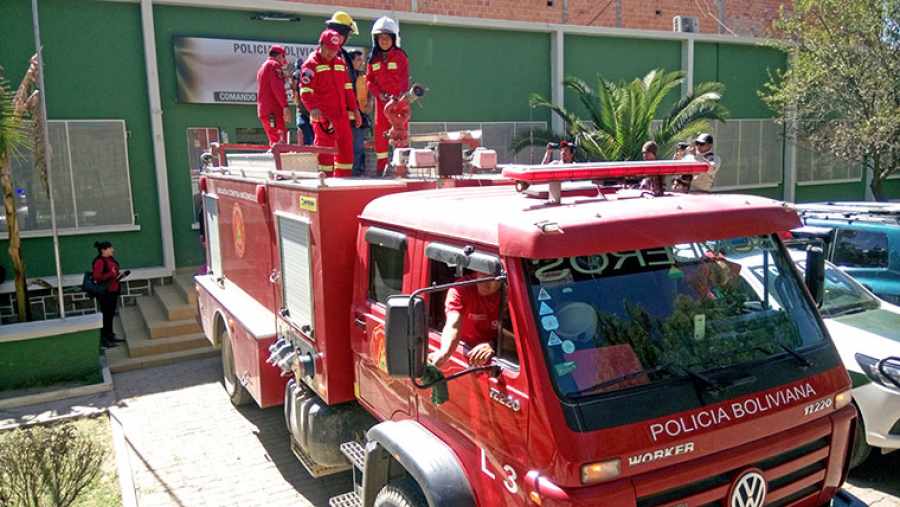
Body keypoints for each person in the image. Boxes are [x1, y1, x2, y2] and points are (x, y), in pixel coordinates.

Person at [299, 29, 362, 176]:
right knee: (325, 155)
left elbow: (348, 89)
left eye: (334, 50)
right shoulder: (310, 65)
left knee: (346, 152)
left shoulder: (340, 63)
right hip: (323, 118)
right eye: (328, 49)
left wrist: (355, 110)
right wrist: (313, 108)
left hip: (341, 116)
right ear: (321, 44)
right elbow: (305, 91)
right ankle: (324, 183)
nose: (331, 53)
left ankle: (343, 182)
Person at [428, 275, 503, 368]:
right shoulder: (462, 288)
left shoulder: (510, 294)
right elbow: (453, 324)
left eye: (493, 278)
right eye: (483, 275)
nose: (486, 283)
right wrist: (444, 353)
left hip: (498, 356)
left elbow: (519, 338)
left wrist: (493, 345)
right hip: (463, 352)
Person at [367, 17, 409, 176]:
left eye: (387, 38)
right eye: (380, 38)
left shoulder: (400, 56)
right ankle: (381, 169)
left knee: (400, 135)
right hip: (381, 104)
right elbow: (369, 81)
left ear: (393, 39)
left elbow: (405, 79)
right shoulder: (373, 59)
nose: (383, 41)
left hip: (398, 104)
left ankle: (402, 169)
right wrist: (379, 94)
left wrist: (399, 98)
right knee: (380, 135)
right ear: (376, 40)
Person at [92, 241, 126, 348]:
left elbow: (113, 274)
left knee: (110, 315)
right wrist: (111, 274)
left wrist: (119, 275)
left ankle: (110, 335)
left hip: (113, 291)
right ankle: (104, 340)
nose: (113, 250)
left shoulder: (110, 260)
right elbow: (97, 277)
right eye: (110, 248)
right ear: (103, 250)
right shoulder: (99, 261)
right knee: (106, 316)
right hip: (105, 293)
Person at [256, 45, 291, 146]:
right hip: (273, 111)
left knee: (274, 142)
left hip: (265, 111)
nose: (285, 60)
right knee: (280, 145)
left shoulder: (263, 67)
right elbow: (277, 88)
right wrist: (285, 106)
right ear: (280, 55)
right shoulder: (274, 65)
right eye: (284, 57)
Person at [349, 50, 371, 176]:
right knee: (353, 148)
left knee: (359, 148)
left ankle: (356, 171)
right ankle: (351, 172)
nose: (361, 62)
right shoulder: (346, 76)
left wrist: (369, 103)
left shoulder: (362, 77)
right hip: (348, 118)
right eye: (358, 60)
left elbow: (369, 93)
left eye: (361, 60)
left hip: (361, 117)